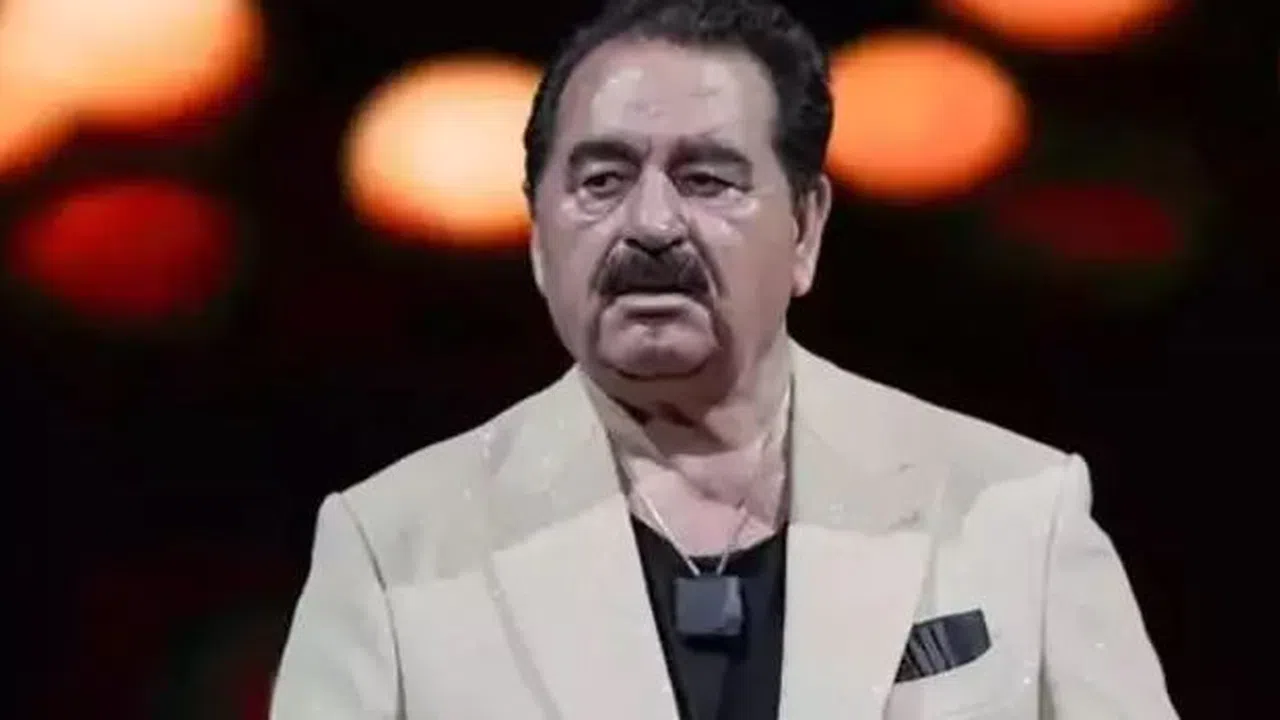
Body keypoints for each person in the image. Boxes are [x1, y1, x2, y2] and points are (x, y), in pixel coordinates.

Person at [270, 0, 1179, 717]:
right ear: (540, 236)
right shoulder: (391, 544)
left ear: (805, 228)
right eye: (601, 180)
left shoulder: (1017, 509)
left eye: (706, 179)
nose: (651, 225)